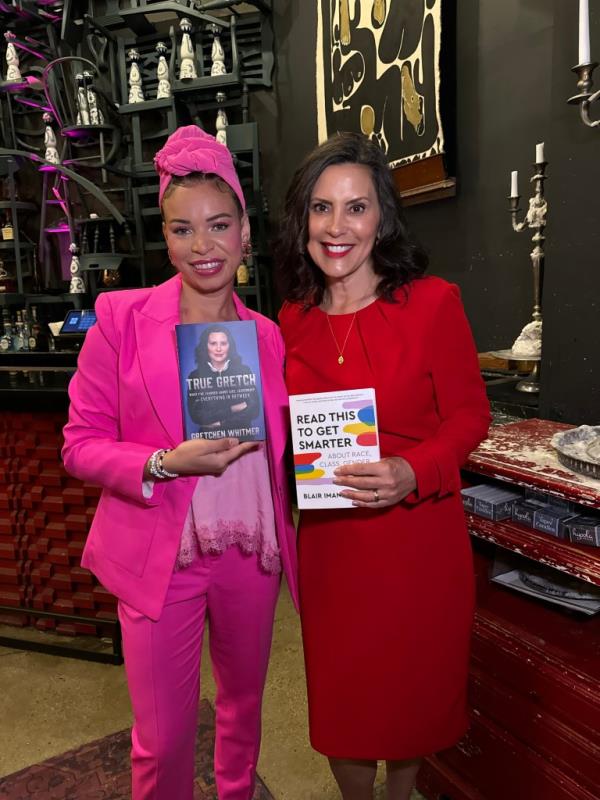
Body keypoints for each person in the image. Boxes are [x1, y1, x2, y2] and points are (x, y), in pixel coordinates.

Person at [62, 125, 298, 800]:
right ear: (163, 235)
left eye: (219, 225)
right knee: (162, 737)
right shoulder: (120, 320)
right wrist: (164, 462)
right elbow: (79, 445)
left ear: (245, 230)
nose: (203, 247)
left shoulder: (270, 337)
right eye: (182, 229)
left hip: (251, 551)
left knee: (243, 710)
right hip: (161, 551)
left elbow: (290, 445)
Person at [276, 132, 491, 800]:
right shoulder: (290, 319)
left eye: (356, 208)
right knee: (343, 712)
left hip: (416, 544)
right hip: (334, 551)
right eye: (321, 208)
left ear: (384, 219)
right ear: (303, 221)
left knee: (407, 711)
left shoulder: (433, 304)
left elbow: (468, 418)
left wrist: (411, 471)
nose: (337, 227)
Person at [187, 324, 260, 435]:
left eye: (223, 343)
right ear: (205, 346)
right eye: (213, 343)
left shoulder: (244, 371)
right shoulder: (195, 376)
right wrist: (233, 408)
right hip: (208, 443)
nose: (219, 349)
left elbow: (254, 410)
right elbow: (197, 416)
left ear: (230, 346)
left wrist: (220, 423)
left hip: (244, 439)